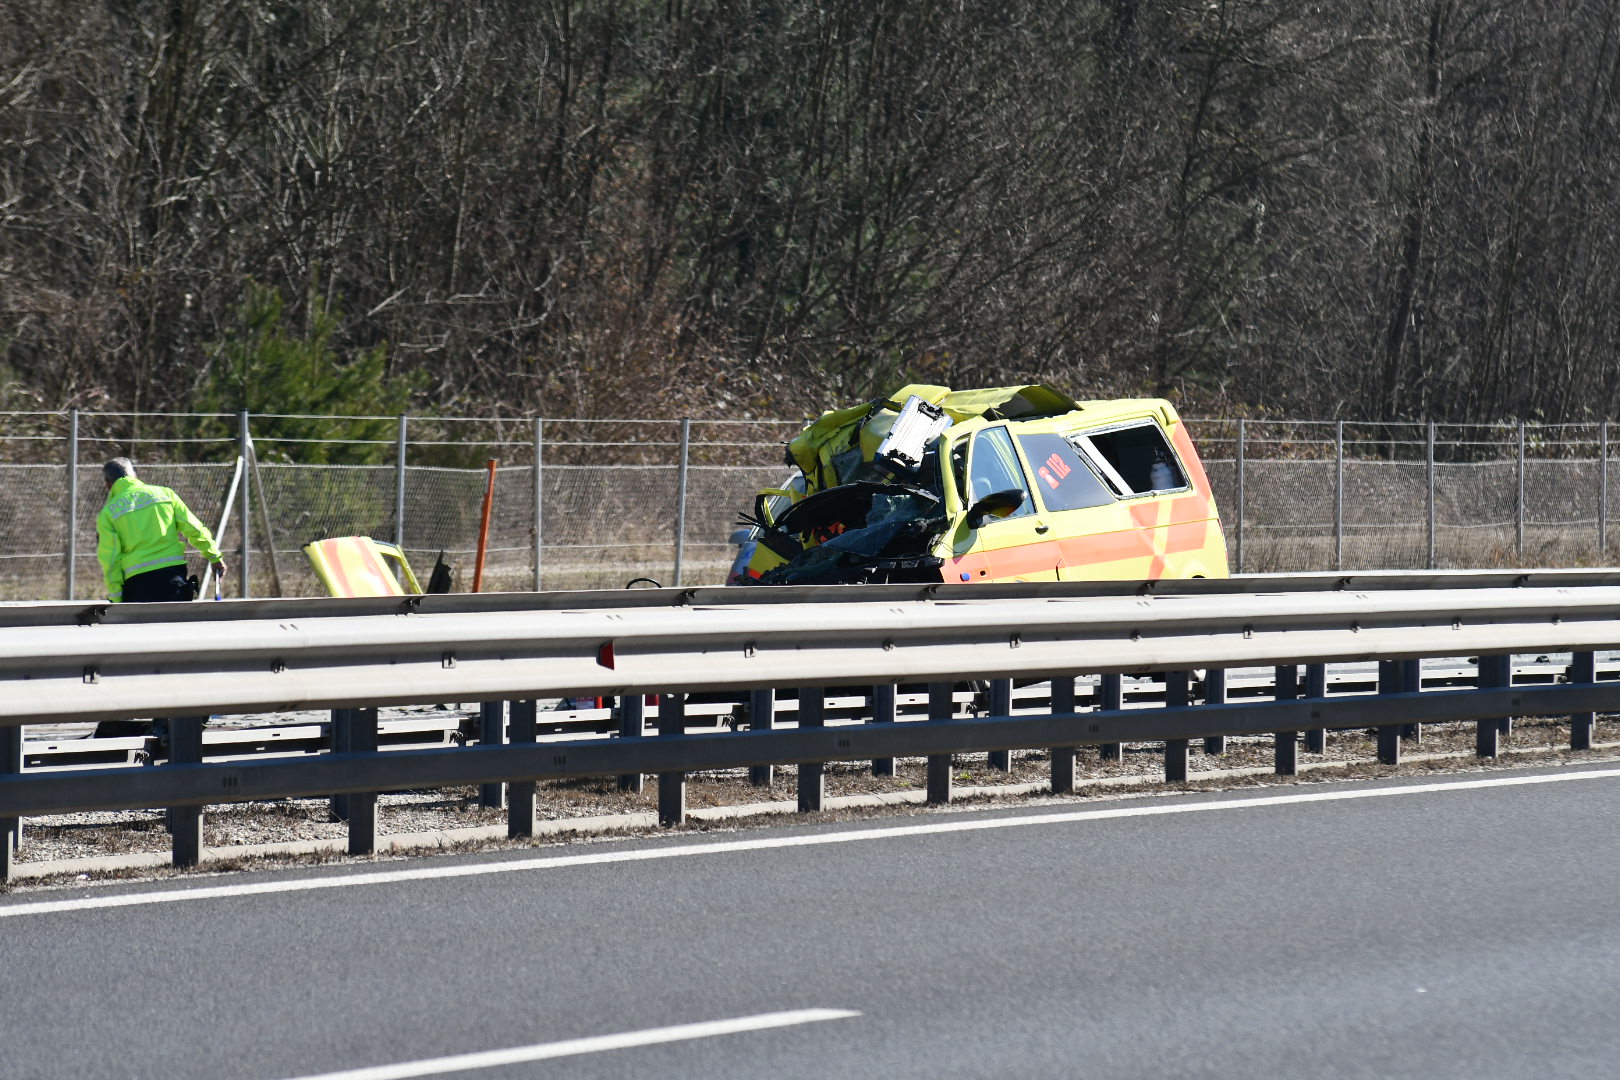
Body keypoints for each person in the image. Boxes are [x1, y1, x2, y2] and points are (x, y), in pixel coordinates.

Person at [96, 457, 227, 603]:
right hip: (172, 579)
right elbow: (194, 529)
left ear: (108, 484)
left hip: (137, 586)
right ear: (134, 475)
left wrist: (116, 598)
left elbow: (110, 559)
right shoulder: (165, 494)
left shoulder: (107, 514)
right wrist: (214, 557)